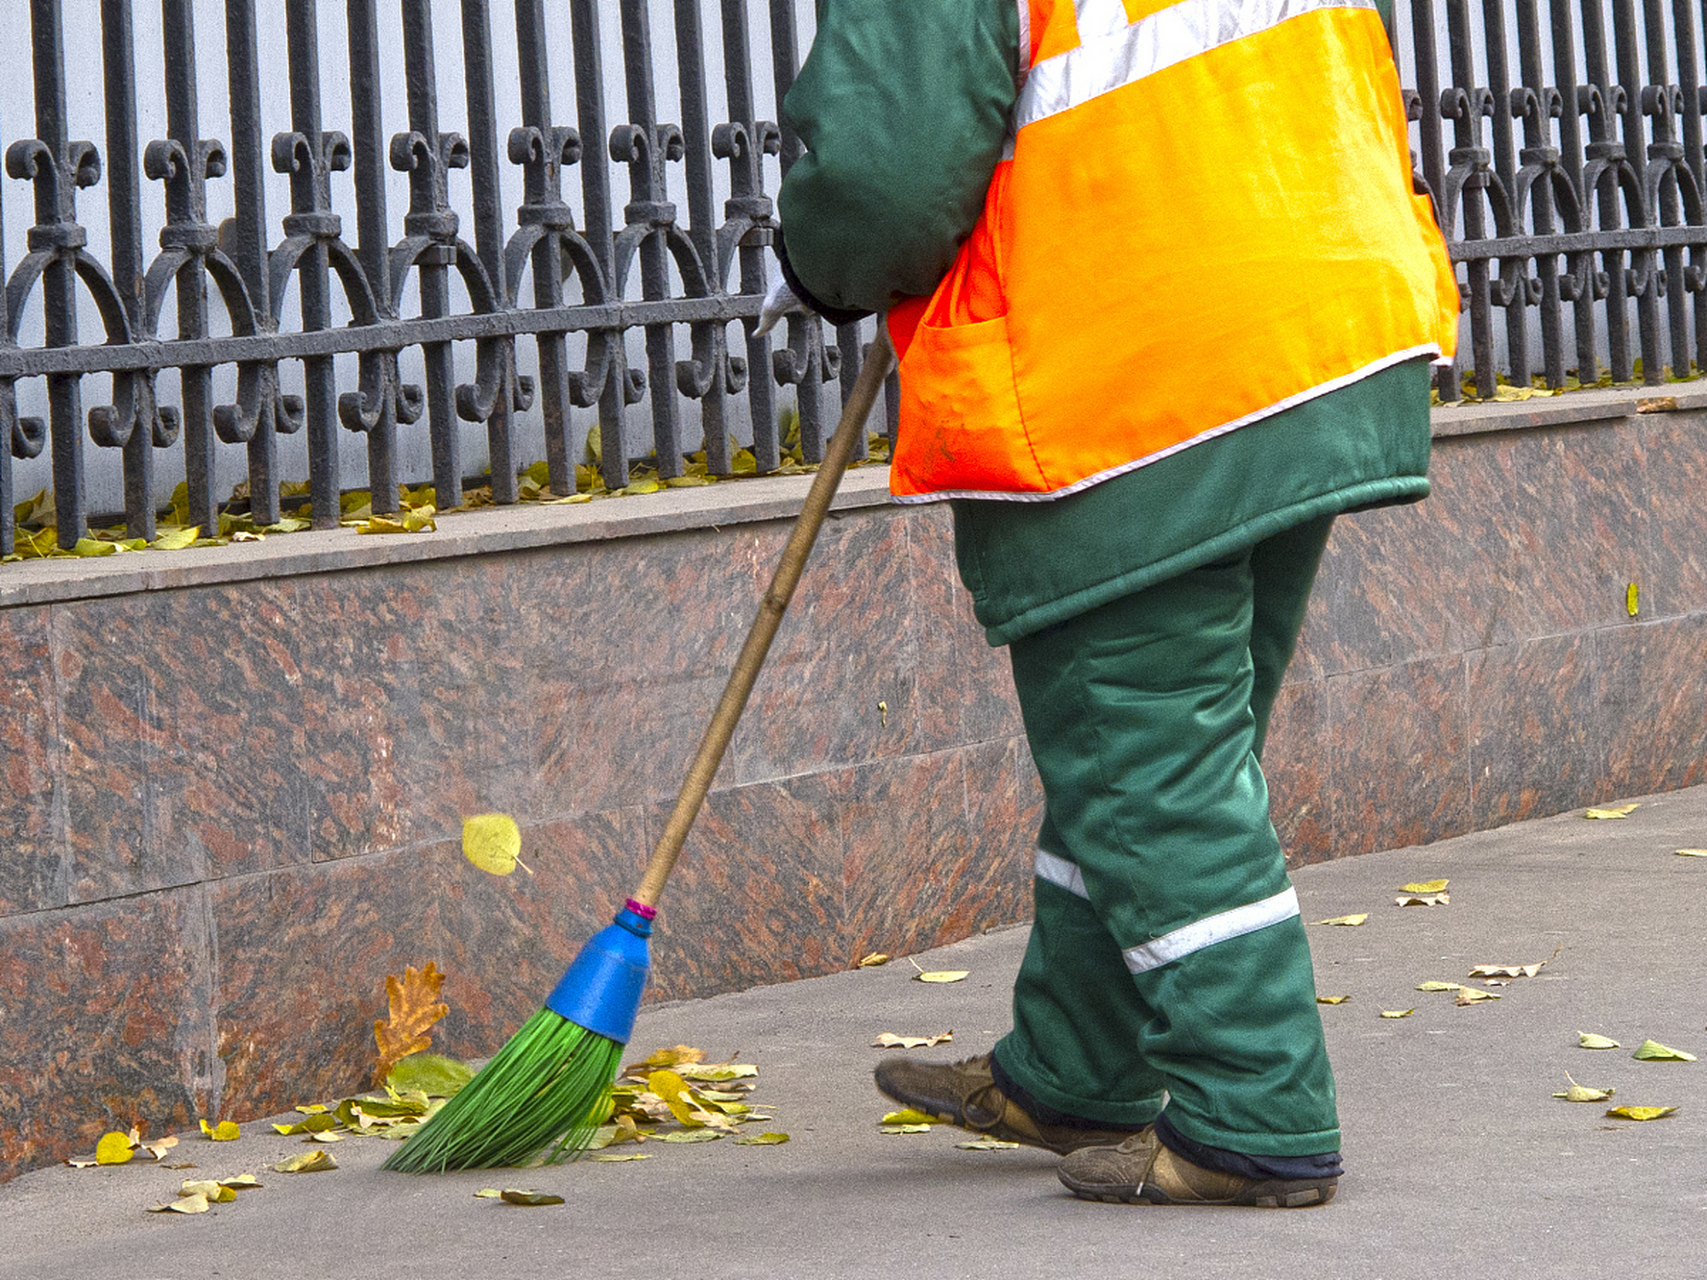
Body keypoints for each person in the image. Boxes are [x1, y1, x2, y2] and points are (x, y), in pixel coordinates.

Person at [765, 0, 1458, 1206]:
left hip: (1131, 354)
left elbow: (882, 176)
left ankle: (1256, 1109)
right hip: (1319, 311)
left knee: (1150, 762)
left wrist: (836, 265)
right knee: (1156, 749)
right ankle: (1076, 1065)